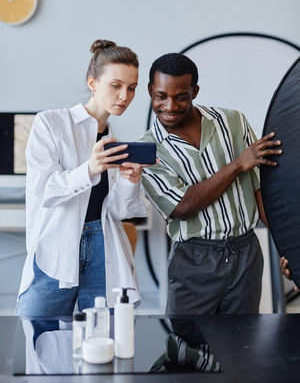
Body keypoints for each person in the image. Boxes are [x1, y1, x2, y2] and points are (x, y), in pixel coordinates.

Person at [140, 52, 282, 315]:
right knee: (189, 345)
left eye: (181, 97)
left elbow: (261, 188)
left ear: (195, 91)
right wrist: (237, 164)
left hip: (246, 252)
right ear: (150, 90)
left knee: (243, 343)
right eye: (161, 96)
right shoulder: (147, 150)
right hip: (194, 259)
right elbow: (182, 206)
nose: (169, 106)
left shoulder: (233, 122)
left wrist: (286, 248)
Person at [16, 39, 148, 316]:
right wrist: (90, 168)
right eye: (116, 85)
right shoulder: (50, 123)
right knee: (39, 337)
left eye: (132, 88)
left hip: (104, 247)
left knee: (105, 342)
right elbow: (46, 192)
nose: (125, 95)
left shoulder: (115, 144)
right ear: (92, 83)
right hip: (56, 247)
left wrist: (130, 181)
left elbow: (118, 211)